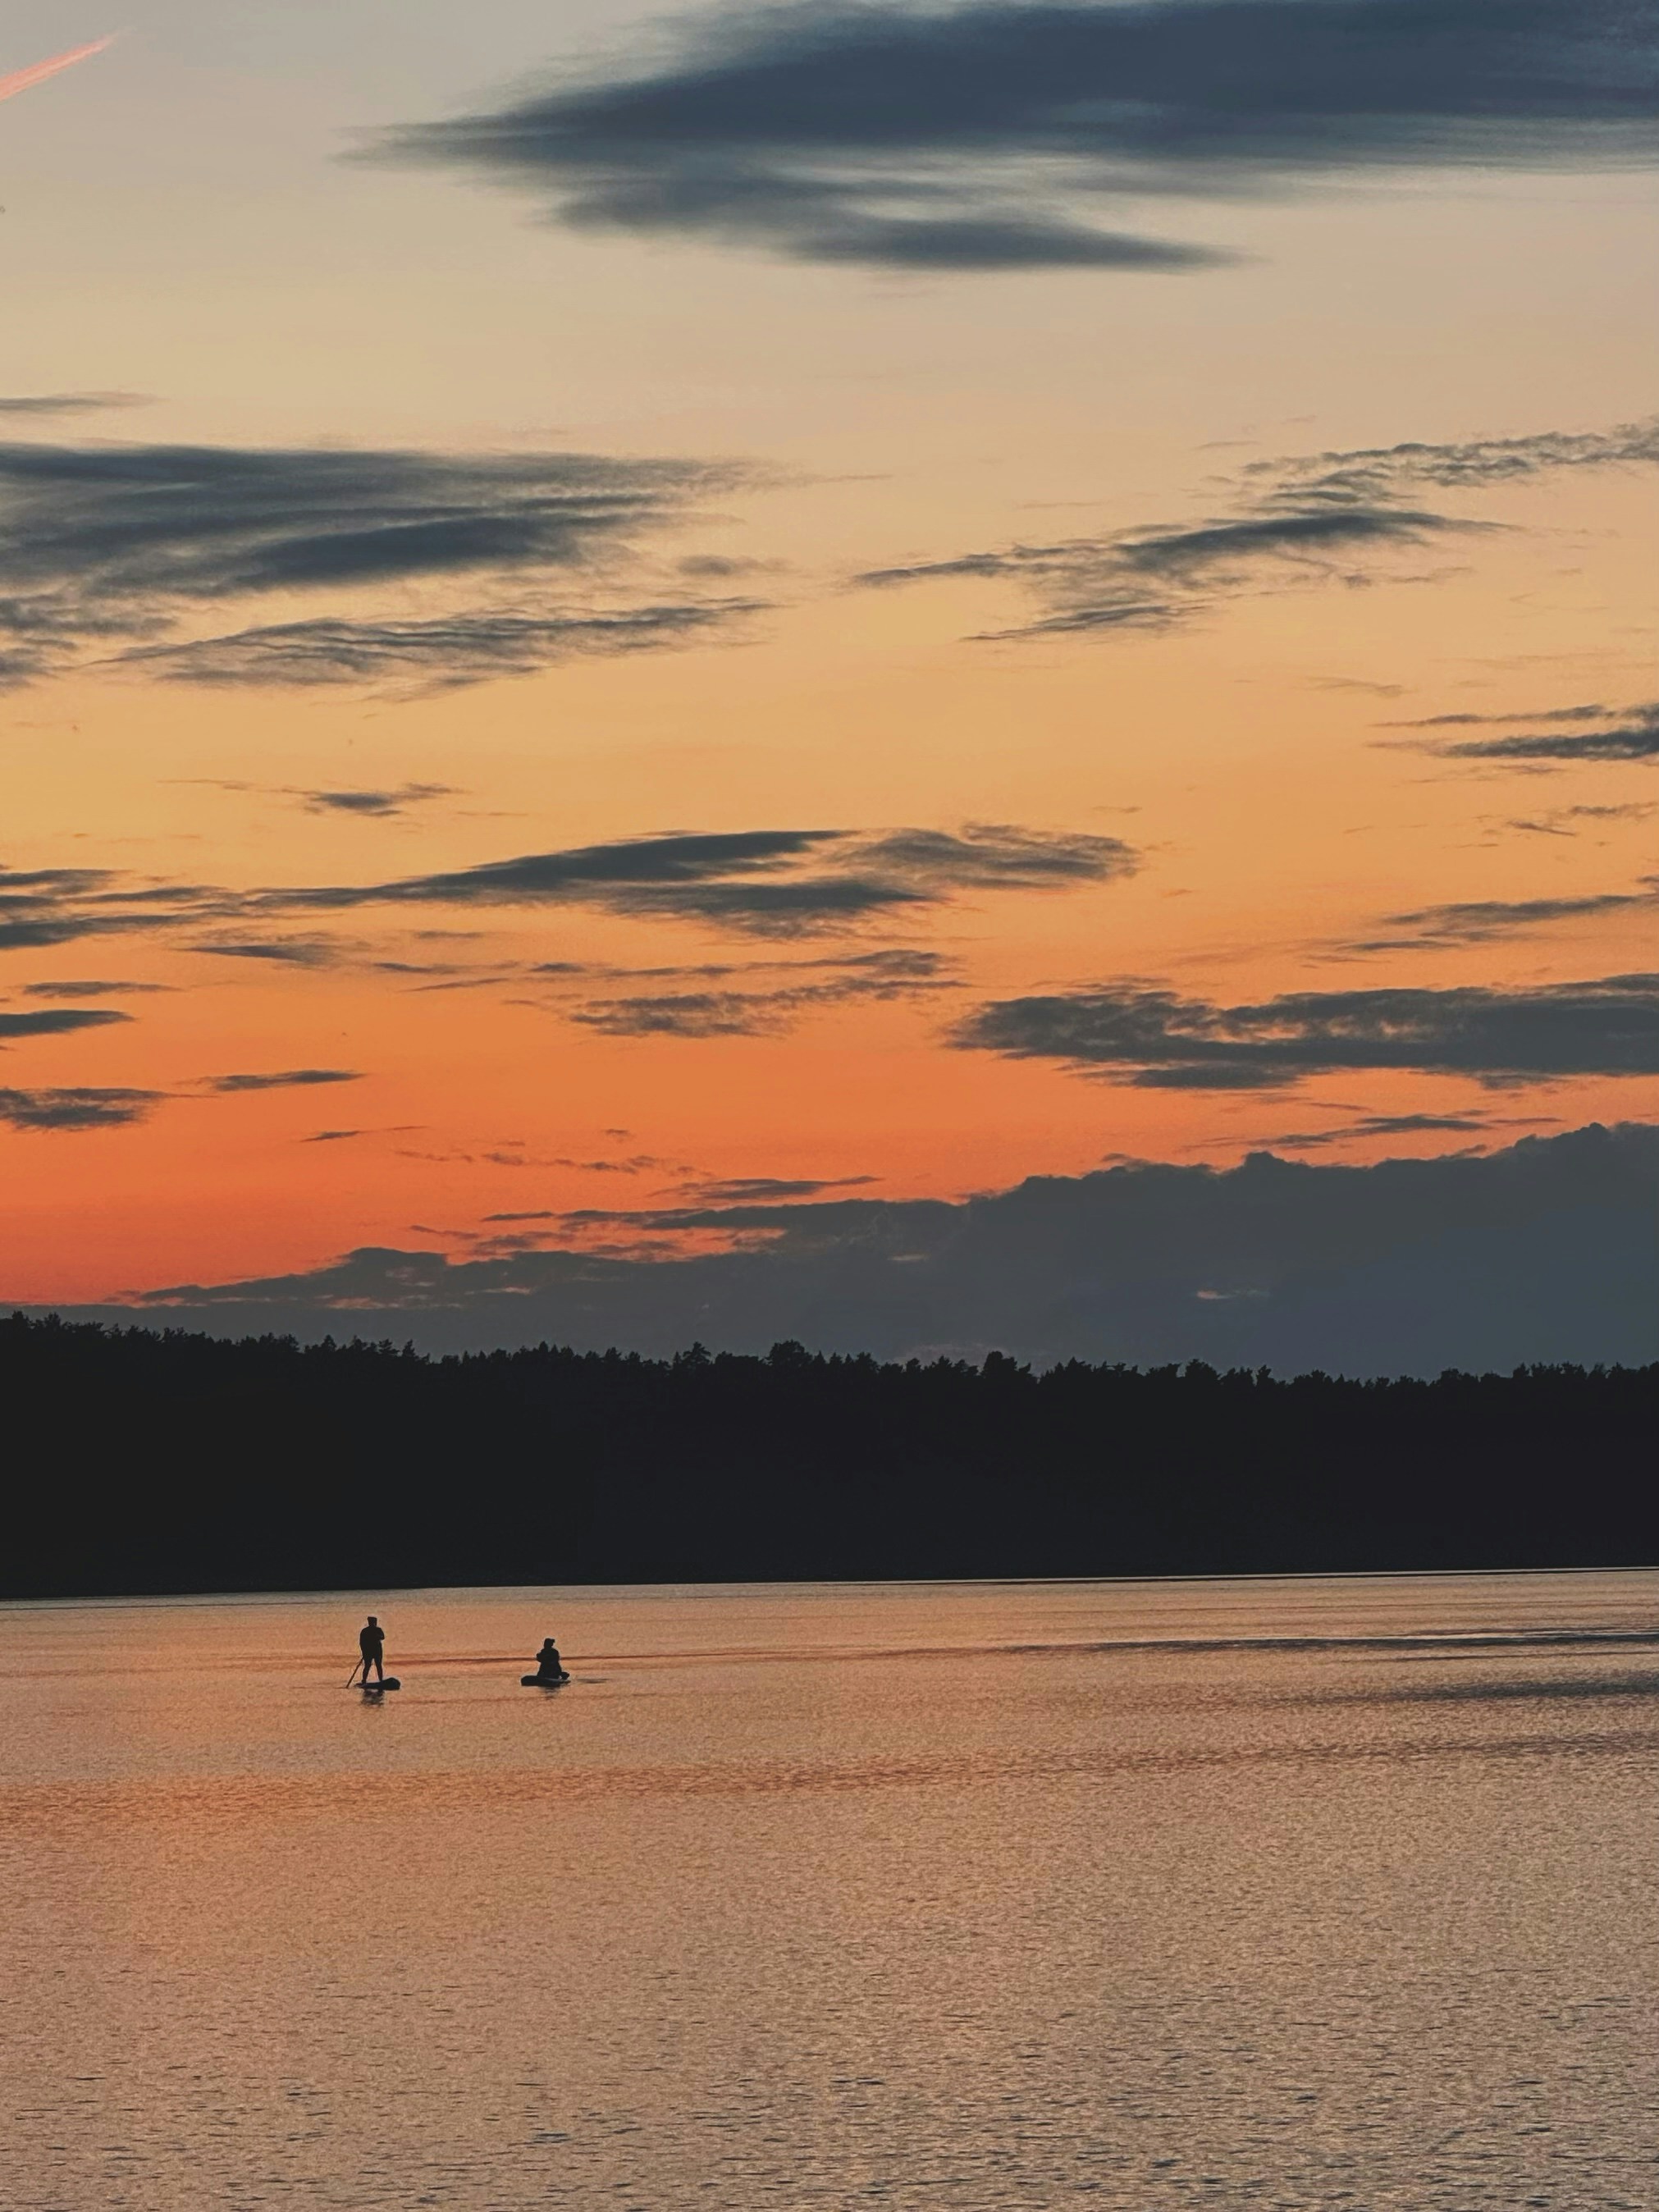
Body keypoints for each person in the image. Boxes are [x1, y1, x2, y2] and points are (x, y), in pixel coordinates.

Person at [358, 1616, 386, 1685]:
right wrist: (363, 1652)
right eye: (372, 1622)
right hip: (368, 1652)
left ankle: (381, 1680)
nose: (373, 1623)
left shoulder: (378, 1630)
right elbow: (362, 1642)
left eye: (374, 1622)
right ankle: (364, 1680)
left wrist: (377, 1636)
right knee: (367, 1666)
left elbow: (383, 1637)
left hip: (377, 1651)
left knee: (379, 1665)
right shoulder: (365, 1631)